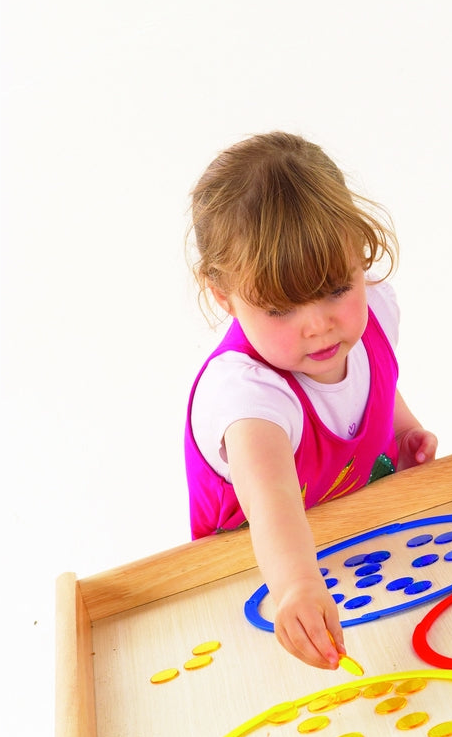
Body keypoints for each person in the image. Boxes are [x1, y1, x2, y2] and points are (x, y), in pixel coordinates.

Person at [183, 131, 438, 671]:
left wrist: (403, 430)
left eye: (335, 289)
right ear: (224, 295)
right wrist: (297, 585)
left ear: (359, 254)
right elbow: (271, 499)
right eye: (281, 309)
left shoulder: (373, 311)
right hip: (259, 592)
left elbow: (375, 381)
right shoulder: (247, 398)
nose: (319, 325)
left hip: (355, 548)